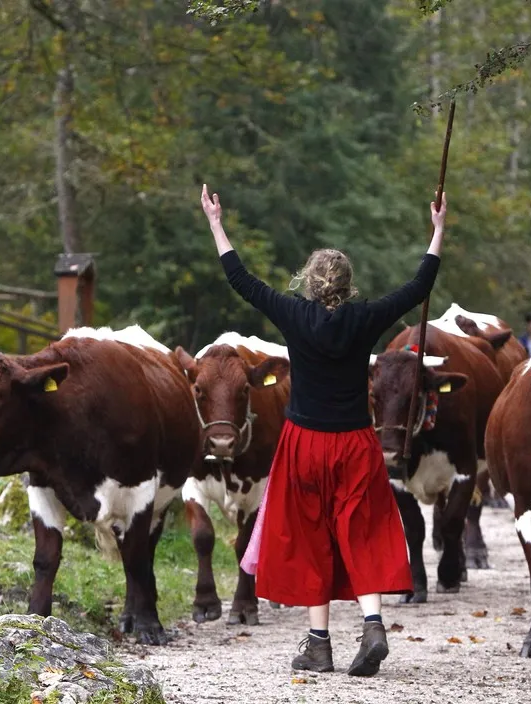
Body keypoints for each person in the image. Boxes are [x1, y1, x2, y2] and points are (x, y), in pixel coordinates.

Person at [201, 183, 446, 677]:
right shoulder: (366, 318)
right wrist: (437, 232)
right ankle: (373, 623)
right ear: (349, 285)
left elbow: (241, 280)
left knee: (312, 536)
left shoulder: (293, 314)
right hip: (356, 442)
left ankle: (320, 644)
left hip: (303, 443)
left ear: (309, 284)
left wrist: (216, 223)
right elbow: (418, 287)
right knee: (361, 530)